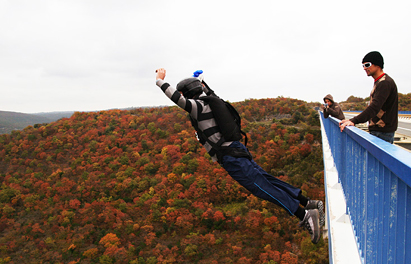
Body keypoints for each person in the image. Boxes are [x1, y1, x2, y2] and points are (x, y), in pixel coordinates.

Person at [155, 68, 324, 244]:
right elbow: (207, 92)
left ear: (188, 93)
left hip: (231, 157)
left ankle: (304, 215)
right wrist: (202, 82)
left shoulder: (198, 107)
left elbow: (178, 99)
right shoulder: (212, 101)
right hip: (237, 150)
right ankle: (307, 202)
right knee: (267, 180)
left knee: (263, 188)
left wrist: (160, 80)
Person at [339, 51, 398, 144]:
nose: (364, 68)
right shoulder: (379, 82)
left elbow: (374, 107)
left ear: (377, 64)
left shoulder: (385, 83)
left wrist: (354, 120)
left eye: (367, 65)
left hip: (383, 133)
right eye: (363, 66)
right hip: (379, 132)